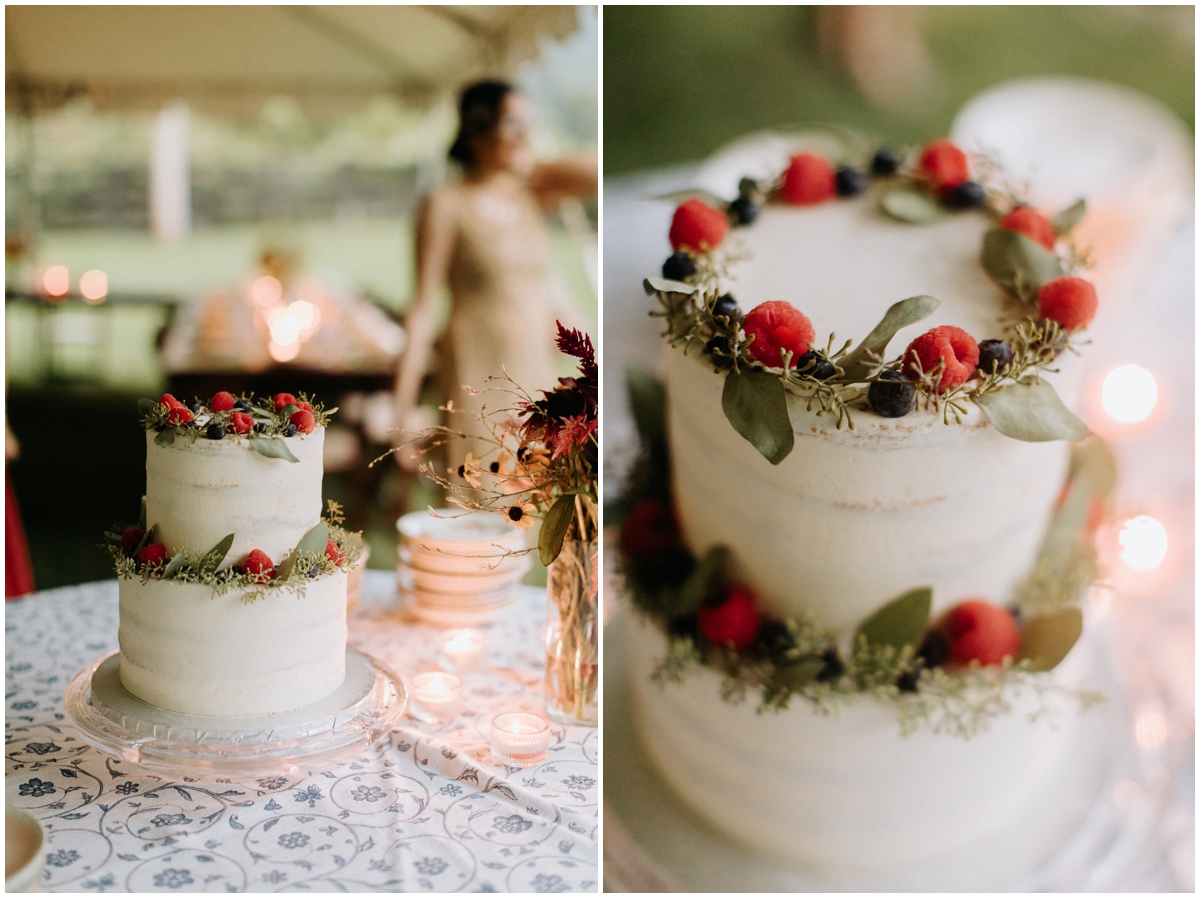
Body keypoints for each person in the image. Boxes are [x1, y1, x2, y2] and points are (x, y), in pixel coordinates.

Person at [394, 79, 596, 469]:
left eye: (528, 122)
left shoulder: (529, 194)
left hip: (533, 366)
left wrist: (532, 162)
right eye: (512, 123)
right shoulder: (445, 204)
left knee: (536, 492)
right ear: (477, 128)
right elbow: (421, 309)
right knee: (483, 489)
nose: (526, 133)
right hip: (475, 368)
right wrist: (402, 411)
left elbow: (594, 174)